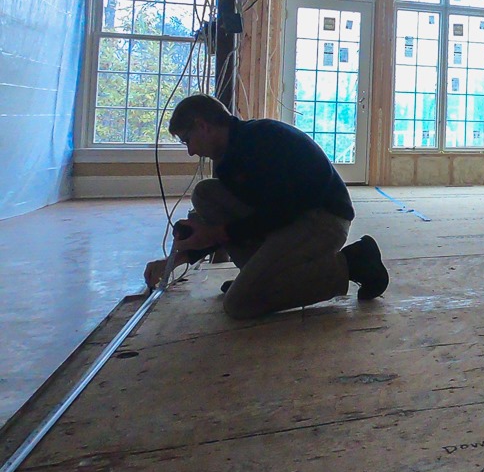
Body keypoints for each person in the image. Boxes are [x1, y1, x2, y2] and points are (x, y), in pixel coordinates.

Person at [143, 94, 388, 319]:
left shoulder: (262, 140)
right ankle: (259, 279)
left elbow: (280, 211)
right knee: (205, 194)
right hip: (287, 219)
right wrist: (176, 259)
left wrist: (216, 234)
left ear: (202, 125)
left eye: (188, 140)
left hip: (322, 219)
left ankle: (352, 262)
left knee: (239, 304)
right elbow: (244, 219)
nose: (190, 151)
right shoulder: (227, 160)